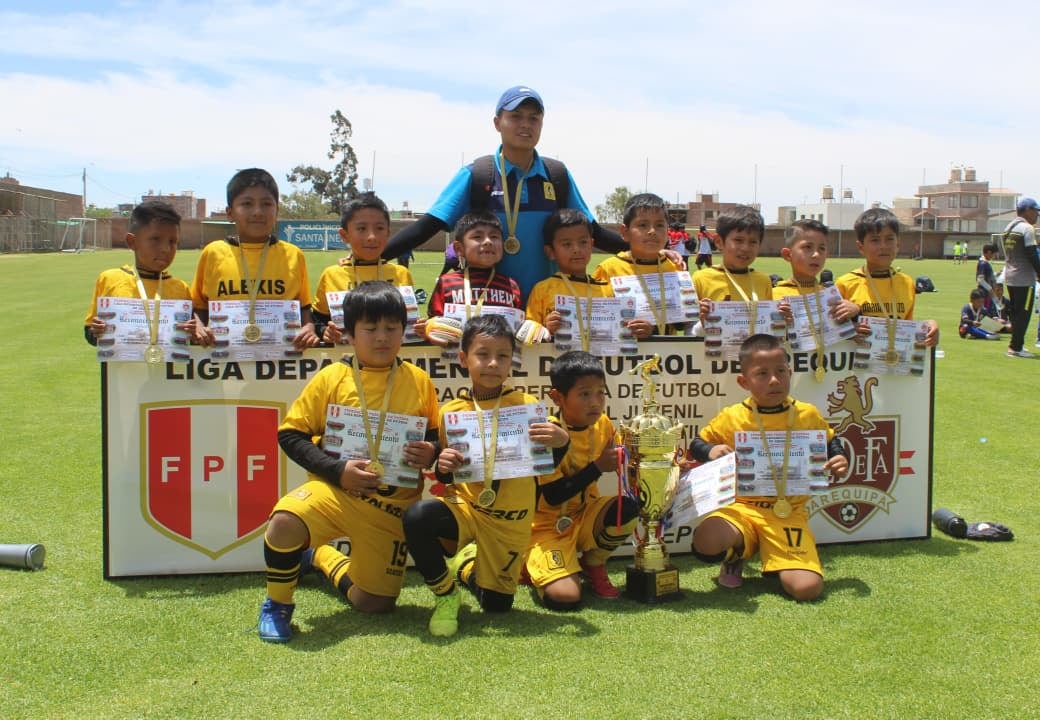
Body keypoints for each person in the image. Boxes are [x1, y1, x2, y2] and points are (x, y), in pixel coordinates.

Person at [256, 281, 439, 642]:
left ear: (404, 331)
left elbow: (433, 435)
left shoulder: (418, 380)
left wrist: (430, 451)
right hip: (336, 493)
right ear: (351, 335)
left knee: (374, 603)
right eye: (370, 329)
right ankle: (278, 605)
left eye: (391, 328)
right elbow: (290, 435)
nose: (382, 338)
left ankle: (321, 558)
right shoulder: (332, 377)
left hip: (391, 508)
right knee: (283, 523)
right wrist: (337, 471)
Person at [402, 314, 570, 636]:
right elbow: (449, 475)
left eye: (502, 356)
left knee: (496, 606)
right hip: (469, 509)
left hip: (510, 518)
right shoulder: (451, 413)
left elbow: (548, 459)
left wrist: (562, 441)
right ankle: (446, 595)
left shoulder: (527, 406)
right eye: (483, 354)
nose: (492, 364)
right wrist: (443, 465)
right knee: (418, 516)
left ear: (512, 362)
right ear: (464, 358)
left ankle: (465, 565)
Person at [383, 85, 628, 301]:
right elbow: (428, 225)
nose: (525, 124)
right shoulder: (477, 174)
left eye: (534, 118)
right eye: (516, 116)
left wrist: (646, 251)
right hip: (491, 310)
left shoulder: (557, 176)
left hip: (550, 310)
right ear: (497, 122)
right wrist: (370, 255)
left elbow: (593, 232)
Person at [688, 334, 849, 600]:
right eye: (762, 374)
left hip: (789, 513)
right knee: (706, 540)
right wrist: (711, 450)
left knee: (806, 590)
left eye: (781, 372)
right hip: (744, 509)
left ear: (790, 373)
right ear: (744, 381)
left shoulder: (807, 414)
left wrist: (840, 458)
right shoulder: (733, 417)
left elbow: (831, 441)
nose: (774, 380)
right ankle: (736, 555)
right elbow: (697, 443)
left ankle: (777, 558)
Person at [525, 351, 640, 608]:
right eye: (584, 394)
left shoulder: (605, 426)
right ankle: (534, 564)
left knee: (627, 508)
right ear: (558, 397)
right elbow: (553, 495)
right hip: (547, 526)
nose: (595, 402)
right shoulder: (546, 433)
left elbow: (625, 462)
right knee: (565, 598)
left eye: (601, 393)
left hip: (587, 514)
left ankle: (593, 563)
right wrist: (598, 467)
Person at [190, 168, 318, 350]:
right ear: (230, 213)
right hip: (224, 363)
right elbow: (199, 307)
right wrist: (199, 326)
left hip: (279, 362)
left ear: (277, 211)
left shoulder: (293, 255)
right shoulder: (213, 253)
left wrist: (309, 327)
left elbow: (303, 307)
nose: (257, 212)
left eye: (266, 204)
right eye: (247, 204)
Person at [84, 200, 209, 346]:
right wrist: (96, 331)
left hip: (168, 368)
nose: (166, 249)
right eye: (155, 239)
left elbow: (189, 340)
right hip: (122, 368)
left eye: (172, 241)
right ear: (132, 242)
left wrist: (193, 334)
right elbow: (90, 331)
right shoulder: (110, 279)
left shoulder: (181, 289)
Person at [311, 192, 414, 344]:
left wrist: (419, 328)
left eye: (379, 228)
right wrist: (324, 332)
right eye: (361, 228)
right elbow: (317, 320)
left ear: (388, 233)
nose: (372, 236)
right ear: (344, 235)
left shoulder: (401, 274)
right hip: (346, 362)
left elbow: (408, 323)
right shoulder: (332, 275)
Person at [835, 208, 939, 348]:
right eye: (875, 240)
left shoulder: (906, 283)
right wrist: (848, 329)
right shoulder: (845, 284)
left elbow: (906, 328)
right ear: (860, 247)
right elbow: (827, 333)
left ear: (898, 244)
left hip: (893, 365)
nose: (883, 246)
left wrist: (928, 327)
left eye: (889, 239)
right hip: (858, 366)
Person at [417, 210, 522, 345]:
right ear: (459, 248)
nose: (488, 242)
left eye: (494, 237)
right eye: (478, 237)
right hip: (454, 361)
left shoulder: (511, 286)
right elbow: (435, 322)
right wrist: (426, 329)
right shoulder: (447, 282)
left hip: (498, 362)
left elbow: (519, 329)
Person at [592, 193, 685, 337]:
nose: (652, 231)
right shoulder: (608, 269)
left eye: (659, 225)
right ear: (625, 232)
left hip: (668, 355)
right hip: (622, 355)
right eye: (642, 225)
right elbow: (596, 320)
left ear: (668, 231)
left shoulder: (674, 268)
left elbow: (681, 323)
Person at [525, 208, 613, 342]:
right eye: (567, 244)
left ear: (592, 245)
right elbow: (530, 335)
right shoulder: (542, 290)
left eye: (583, 242)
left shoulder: (606, 289)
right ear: (551, 252)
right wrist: (546, 329)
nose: (577, 250)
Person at [693, 205, 776, 329]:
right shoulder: (701, 278)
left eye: (753, 242)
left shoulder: (763, 280)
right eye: (738, 240)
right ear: (719, 242)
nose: (745, 248)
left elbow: (768, 323)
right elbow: (689, 329)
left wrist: (780, 319)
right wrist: (702, 321)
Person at [999, 198, 1040, 357]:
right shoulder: (1027, 228)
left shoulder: (1008, 229)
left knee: (1016, 313)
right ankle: (1016, 348)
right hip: (1024, 278)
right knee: (1024, 313)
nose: (1037, 214)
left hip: (1010, 276)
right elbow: (1031, 253)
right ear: (1028, 210)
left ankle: (1015, 345)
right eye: (1036, 211)